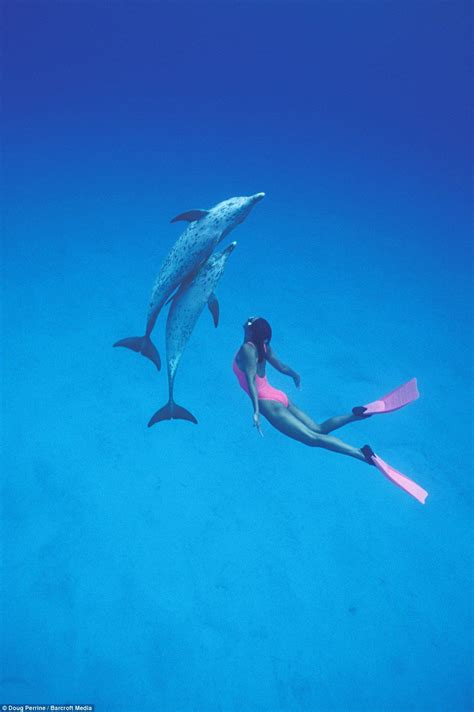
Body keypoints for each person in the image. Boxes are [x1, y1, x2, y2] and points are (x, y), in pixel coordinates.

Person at [232, 316, 374, 465]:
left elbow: (251, 382)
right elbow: (282, 367)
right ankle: (356, 415)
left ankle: (361, 454)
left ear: (251, 333)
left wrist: (256, 411)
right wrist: (294, 375)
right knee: (319, 429)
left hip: (269, 405)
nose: (248, 320)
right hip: (277, 396)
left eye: (250, 322)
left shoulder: (247, 349)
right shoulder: (263, 346)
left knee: (312, 438)